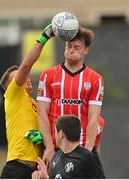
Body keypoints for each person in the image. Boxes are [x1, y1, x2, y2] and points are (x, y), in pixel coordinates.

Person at [37, 26, 105, 176]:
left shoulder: (95, 79)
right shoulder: (48, 75)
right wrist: (48, 147)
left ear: (86, 50)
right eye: (68, 46)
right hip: (57, 150)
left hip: (83, 148)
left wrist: (86, 152)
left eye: (76, 47)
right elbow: (42, 112)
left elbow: (94, 117)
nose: (71, 50)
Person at [0, 24, 54, 178]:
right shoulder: (13, 96)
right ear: (11, 87)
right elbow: (26, 66)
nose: (26, 78)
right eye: (19, 78)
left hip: (34, 170)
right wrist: (43, 38)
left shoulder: (36, 105)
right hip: (16, 167)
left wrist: (42, 139)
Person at [32, 115, 105, 179]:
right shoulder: (56, 156)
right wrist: (45, 177)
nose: (54, 135)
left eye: (55, 132)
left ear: (61, 134)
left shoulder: (86, 157)